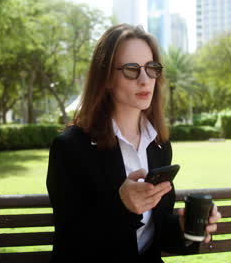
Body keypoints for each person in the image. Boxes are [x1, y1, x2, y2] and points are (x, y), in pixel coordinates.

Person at [46, 24, 221, 263]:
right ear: (106, 78)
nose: (144, 79)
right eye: (131, 69)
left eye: (151, 68)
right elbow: (72, 240)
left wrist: (183, 228)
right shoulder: (71, 148)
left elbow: (153, 235)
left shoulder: (159, 145)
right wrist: (122, 206)